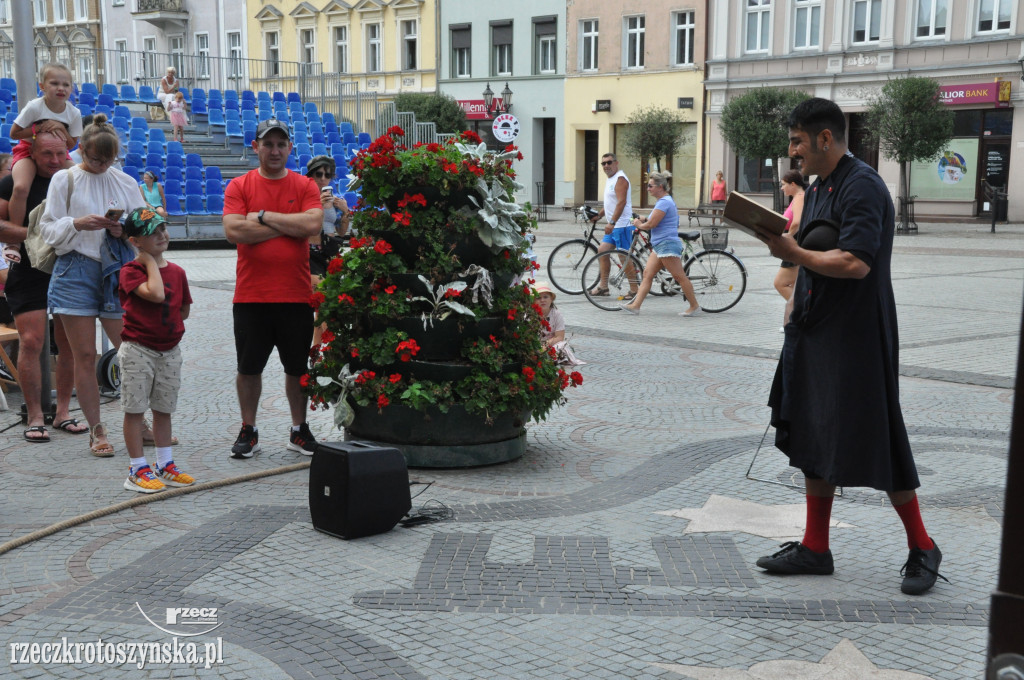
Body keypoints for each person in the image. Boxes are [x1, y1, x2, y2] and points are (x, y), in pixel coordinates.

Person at [755, 97, 945, 596]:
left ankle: (923, 546)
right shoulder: (817, 188)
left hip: (858, 335)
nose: (792, 150)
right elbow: (812, 253)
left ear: (824, 138)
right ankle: (816, 547)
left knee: (878, 439)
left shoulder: (863, 185)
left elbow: (856, 261)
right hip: (816, 329)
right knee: (813, 433)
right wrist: (793, 296)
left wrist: (794, 252)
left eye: (798, 140)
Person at [39, 114, 144, 456]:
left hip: (116, 268)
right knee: (84, 355)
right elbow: (48, 230)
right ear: (81, 149)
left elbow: (144, 225)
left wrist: (123, 229)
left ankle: (137, 422)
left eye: (107, 160)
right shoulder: (64, 179)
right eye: (94, 158)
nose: (100, 166)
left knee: (131, 352)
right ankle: (96, 430)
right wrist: (78, 224)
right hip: (75, 269)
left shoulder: (126, 182)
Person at [222, 118, 322, 459]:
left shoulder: (305, 184)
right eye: (268, 144)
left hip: (295, 295)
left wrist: (261, 217)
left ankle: (299, 429)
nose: (275, 150)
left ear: (289, 148)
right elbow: (234, 231)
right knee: (248, 368)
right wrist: (287, 226)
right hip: (252, 296)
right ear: (256, 147)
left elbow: (312, 224)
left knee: (297, 369)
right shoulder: (239, 185)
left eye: (281, 144)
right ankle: (248, 429)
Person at [0, 131, 87, 441]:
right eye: (46, 154)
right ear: (32, 154)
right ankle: (35, 414)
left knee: (69, 344)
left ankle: (63, 412)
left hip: (67, 268)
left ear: (68, 152)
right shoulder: (13, 183)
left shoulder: (75, 180)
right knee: (32, 340)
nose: (53, 160)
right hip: (27, 269)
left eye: (59, 154)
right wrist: (37, 234)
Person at [118, 208, 194, 493]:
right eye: (151, 233)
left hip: (170, 350)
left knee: (164, 408)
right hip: (139, 349)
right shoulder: (130, 270)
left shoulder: (178, 272)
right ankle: (137, 468)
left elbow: (183, 310)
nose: (162, 235)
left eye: (163, 228)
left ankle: (165, 464)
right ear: (135, 241)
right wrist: (149, 262)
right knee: (135, 409)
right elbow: (157, 294)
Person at [8, 64, 81, 234]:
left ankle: (72, 228)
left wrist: (61, 129)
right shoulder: (35, 107)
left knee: (80, 181)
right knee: (20, 188)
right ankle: (15, 237)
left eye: (66, 85)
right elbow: (14, 133)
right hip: (27, 149)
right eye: (54, 83)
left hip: (58, 153)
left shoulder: (74, 113)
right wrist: (37, 129)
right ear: (42, 86)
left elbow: (70, 145)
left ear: (71, 88)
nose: (60, 88)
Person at [620, 171, 700, 317]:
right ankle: (635, 306)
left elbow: (652, 224)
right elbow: (651, 219)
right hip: (660, 245)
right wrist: (639, 218)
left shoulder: (664, 202)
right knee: (647, 274)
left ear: (660, 187)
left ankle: (694, 306)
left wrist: (638, 224)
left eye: (650, 186)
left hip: (667, 244)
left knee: (679, 276)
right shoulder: (663, 201)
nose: (648, 189)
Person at [305, 156, 349, 347]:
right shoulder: (304, 197)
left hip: (331, 253)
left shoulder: (334, 199)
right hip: (311, 253)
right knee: (323, 304)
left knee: (321, 309)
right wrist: (318, 206)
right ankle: (329, 351)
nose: (323, 178)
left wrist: (345, 212)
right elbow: (302, 224)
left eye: (327, 174)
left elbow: (341, 231)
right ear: (311, 175)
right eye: (318, 174)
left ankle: (316, 354)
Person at [587, 153, 636, 298]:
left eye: (609, 162)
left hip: (621, 225)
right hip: (614, 226)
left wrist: (612, 222)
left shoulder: (620, 179)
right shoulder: (610, 179)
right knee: (602, 250)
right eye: (603, 164)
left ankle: (634, 289)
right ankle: (603, 287)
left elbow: (621, 203)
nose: (606, 166)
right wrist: (599, 215)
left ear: (616, 163)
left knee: (624, 257)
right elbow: (610, 203)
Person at [773, 169, 807, 311]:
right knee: (795, 285)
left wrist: (788, 236)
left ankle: (803, 313)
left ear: (793, 184)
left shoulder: (799, 197)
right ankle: (797, 318)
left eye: (784, 184)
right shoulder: (798, 196)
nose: (781, 188)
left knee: (780, 283)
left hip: (795, 243)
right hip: (798, 243)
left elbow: (797, 222)